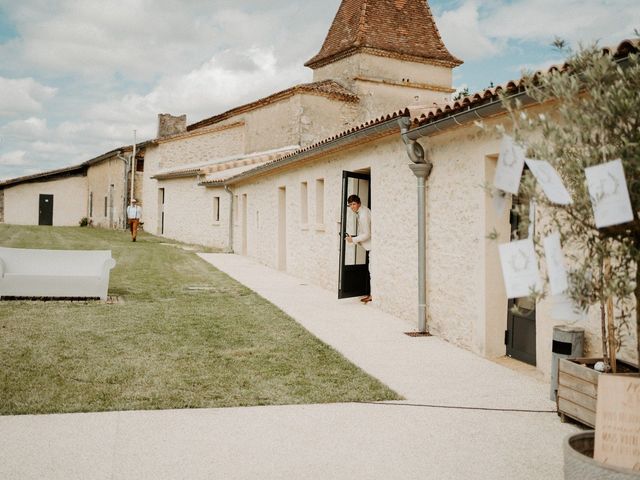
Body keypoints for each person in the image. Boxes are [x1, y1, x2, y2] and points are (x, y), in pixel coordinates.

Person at [345, 194, 372, 303]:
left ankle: (372, 295)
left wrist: (354, 240)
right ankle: (371, 294)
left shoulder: (363, 215)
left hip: (373, 245)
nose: (352, 207)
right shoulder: (361, 211)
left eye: (354, 204)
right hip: (369, 245)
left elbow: (367, 234)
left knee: (372, 271)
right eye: (350, 205)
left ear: (359, 203)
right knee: (371, 270)